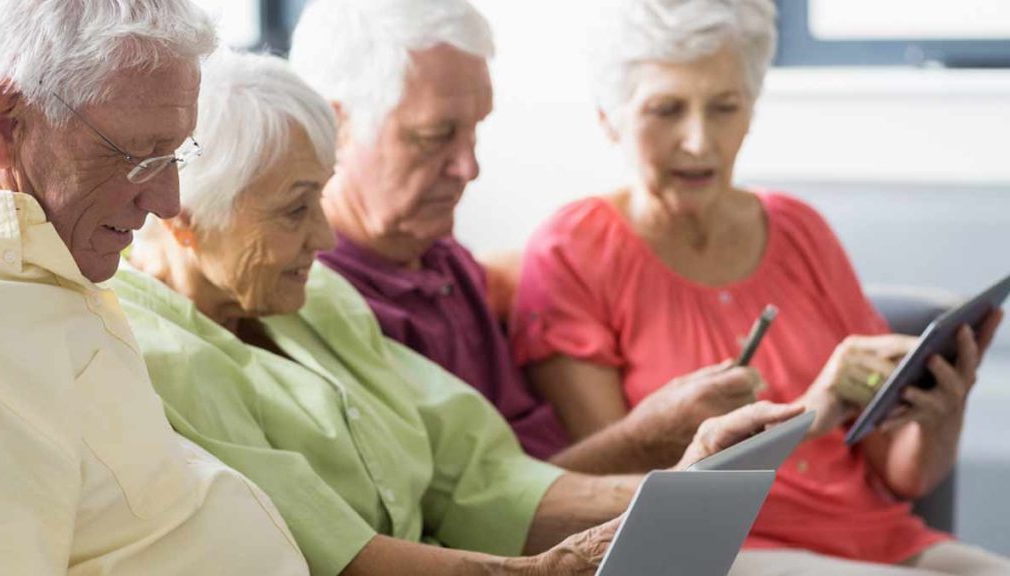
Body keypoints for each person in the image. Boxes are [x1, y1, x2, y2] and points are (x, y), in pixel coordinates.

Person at [114, 49, 802, 576]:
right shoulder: (144, 353)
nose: (324, 239)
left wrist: (679, 485)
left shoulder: (317, 297)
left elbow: (483, 477)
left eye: (321, 198)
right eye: (296, 209)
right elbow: (335, 552)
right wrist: (539, 572)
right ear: (183, 215)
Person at [509, 0, 1009, 574]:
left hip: (884, 540)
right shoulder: (573, 250)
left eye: (724, 107)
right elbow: (601, 490)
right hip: (730, 550)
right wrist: (808, 413)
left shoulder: (799, 229)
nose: (699, 141)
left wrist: (939, 410)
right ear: (608, 117)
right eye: (666, 109)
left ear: (750, 110)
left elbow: (903, 474)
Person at [292, 0, 761, 475]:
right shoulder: (316, 300)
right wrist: (648, 437)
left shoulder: (443, 260)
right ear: (337, 128)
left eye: (475, 130)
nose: (469, 168)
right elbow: (475, 518)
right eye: (435, 135)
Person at [0, 2, 310, 574]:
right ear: (7, 128)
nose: (169, 202)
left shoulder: (57, 265)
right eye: (137, 155)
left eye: (176, 152)